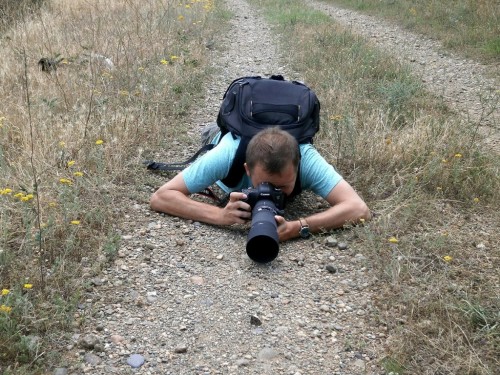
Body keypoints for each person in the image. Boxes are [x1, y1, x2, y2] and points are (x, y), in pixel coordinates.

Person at [150, 127, 371, 241]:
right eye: (264, 184)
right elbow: (161, 196)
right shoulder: (226, 155)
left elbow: (359, 209)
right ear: (247, 169)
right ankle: (213, 131)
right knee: (212, 135)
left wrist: (297, 226)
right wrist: (220, 215)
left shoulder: (307, 159)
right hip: (226, 139)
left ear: (298, 166)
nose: (273, 191)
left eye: (283, 186)